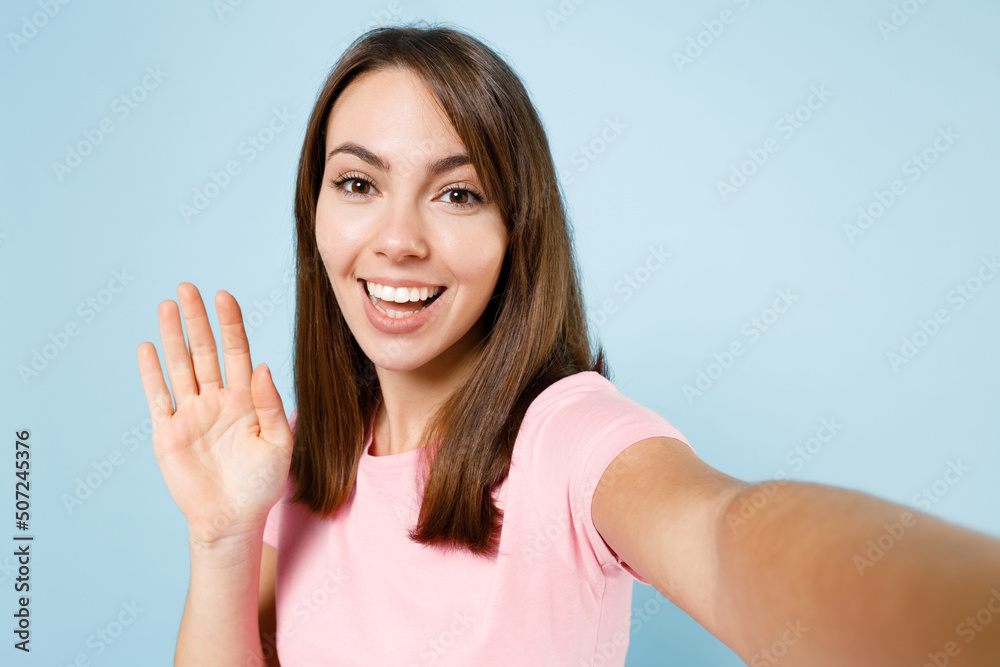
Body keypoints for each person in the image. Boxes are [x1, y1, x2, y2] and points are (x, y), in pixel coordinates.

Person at [136, 24, 1000, 667]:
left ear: (519, 229)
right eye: (358, 182)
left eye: (458, 193)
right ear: (314, 213)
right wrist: (220, 537)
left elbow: (721, 532)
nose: (396, 239)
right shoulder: (296, 466)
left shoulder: (567, 438)